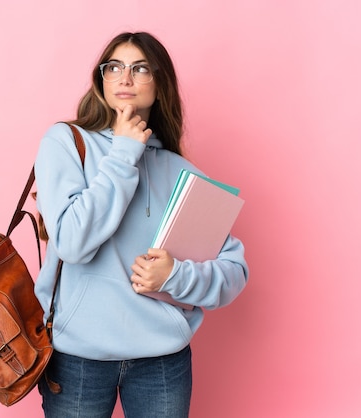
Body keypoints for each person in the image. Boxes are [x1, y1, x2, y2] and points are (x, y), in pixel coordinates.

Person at [34, 32, 248, 418]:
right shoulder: (67, 143)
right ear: (101, 80)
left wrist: (174, 277)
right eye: (114, 67)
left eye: (140, 68)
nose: (125, 78)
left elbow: (234, 271)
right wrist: (123, 154)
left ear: (159, 82)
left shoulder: (182, 173)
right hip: (77, 356)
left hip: (162, 361)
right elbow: (70, 243)